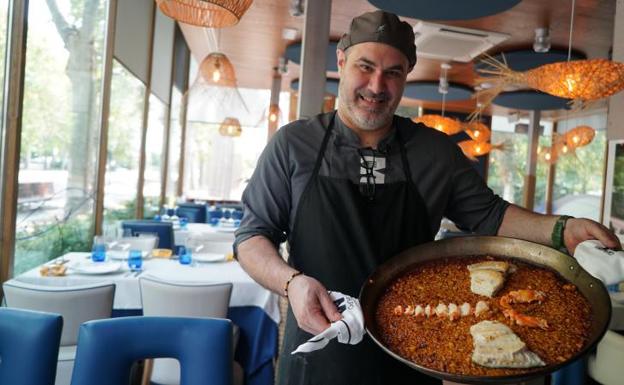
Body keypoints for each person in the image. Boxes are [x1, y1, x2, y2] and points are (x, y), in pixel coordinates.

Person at [234, 10, 621, 385]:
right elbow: (252, 237)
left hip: (417, 347)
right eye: (365, 67)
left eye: (393, 72)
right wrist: (292, 284)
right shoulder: (293, 145)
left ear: (407, 77)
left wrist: (561, 230)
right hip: (319, 351)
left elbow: (490, 215)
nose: (376, 86)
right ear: (342, 61)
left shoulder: (433, 152)